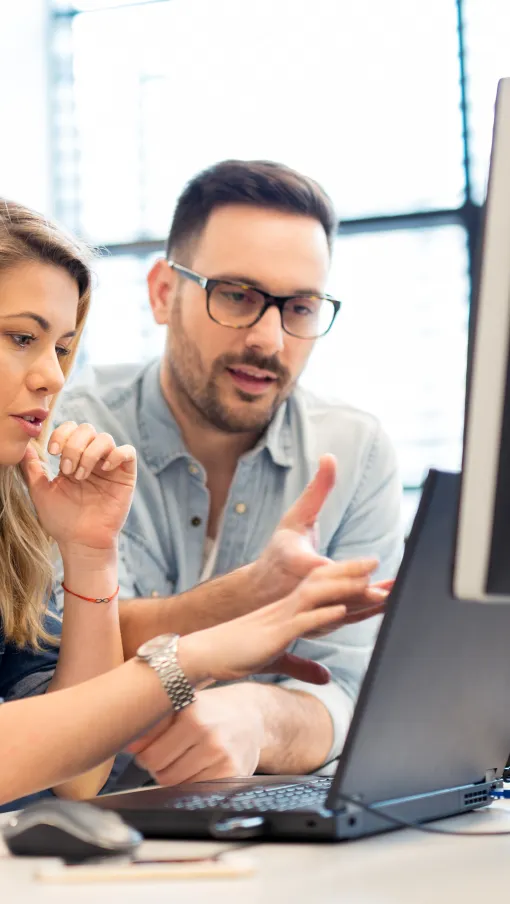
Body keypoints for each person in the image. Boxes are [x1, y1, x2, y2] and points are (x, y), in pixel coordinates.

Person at [0, 198, 386, 810]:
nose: (52, 377)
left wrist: (89, 553)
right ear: (161, 293)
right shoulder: (66, 435)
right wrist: (198, 650)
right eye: (23, 337)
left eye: (63, 348)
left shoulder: (16, 503)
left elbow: (74, 772)